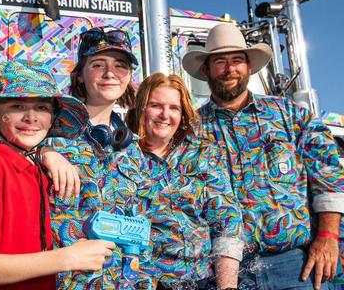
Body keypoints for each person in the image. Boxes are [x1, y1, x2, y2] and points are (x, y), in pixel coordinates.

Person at [182, 22, 344, 290]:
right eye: (220, 61)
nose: (229, 69)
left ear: (248, 67)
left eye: (237, 60)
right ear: (206, 69)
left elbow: (327, 170)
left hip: (296, 266)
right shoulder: (192, 130)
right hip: (227, 273)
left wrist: (327, 235)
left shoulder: (289, 115)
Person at [0, 61, 111, 288]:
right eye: (17, 106)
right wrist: (68, 257)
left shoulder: (37, 166)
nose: (31, 117)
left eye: (42, 108)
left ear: (53, 117)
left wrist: (48, 152)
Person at [49, 27, 164, 290]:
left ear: (129, 77)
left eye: (120, 66)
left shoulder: (134, 149)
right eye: (98, 64)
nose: (110, 73)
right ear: (79, 76)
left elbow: (143, 229)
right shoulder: (50, 136)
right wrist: (44, 152)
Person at [126, 72, 242, 288]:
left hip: (198, 281)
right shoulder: (122, 157)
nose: (164, 115)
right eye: (155, 105)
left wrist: (227, 286)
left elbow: (227, 222)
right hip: (137, 283)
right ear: (141, 107)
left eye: (174, 108)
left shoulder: (202, 155)